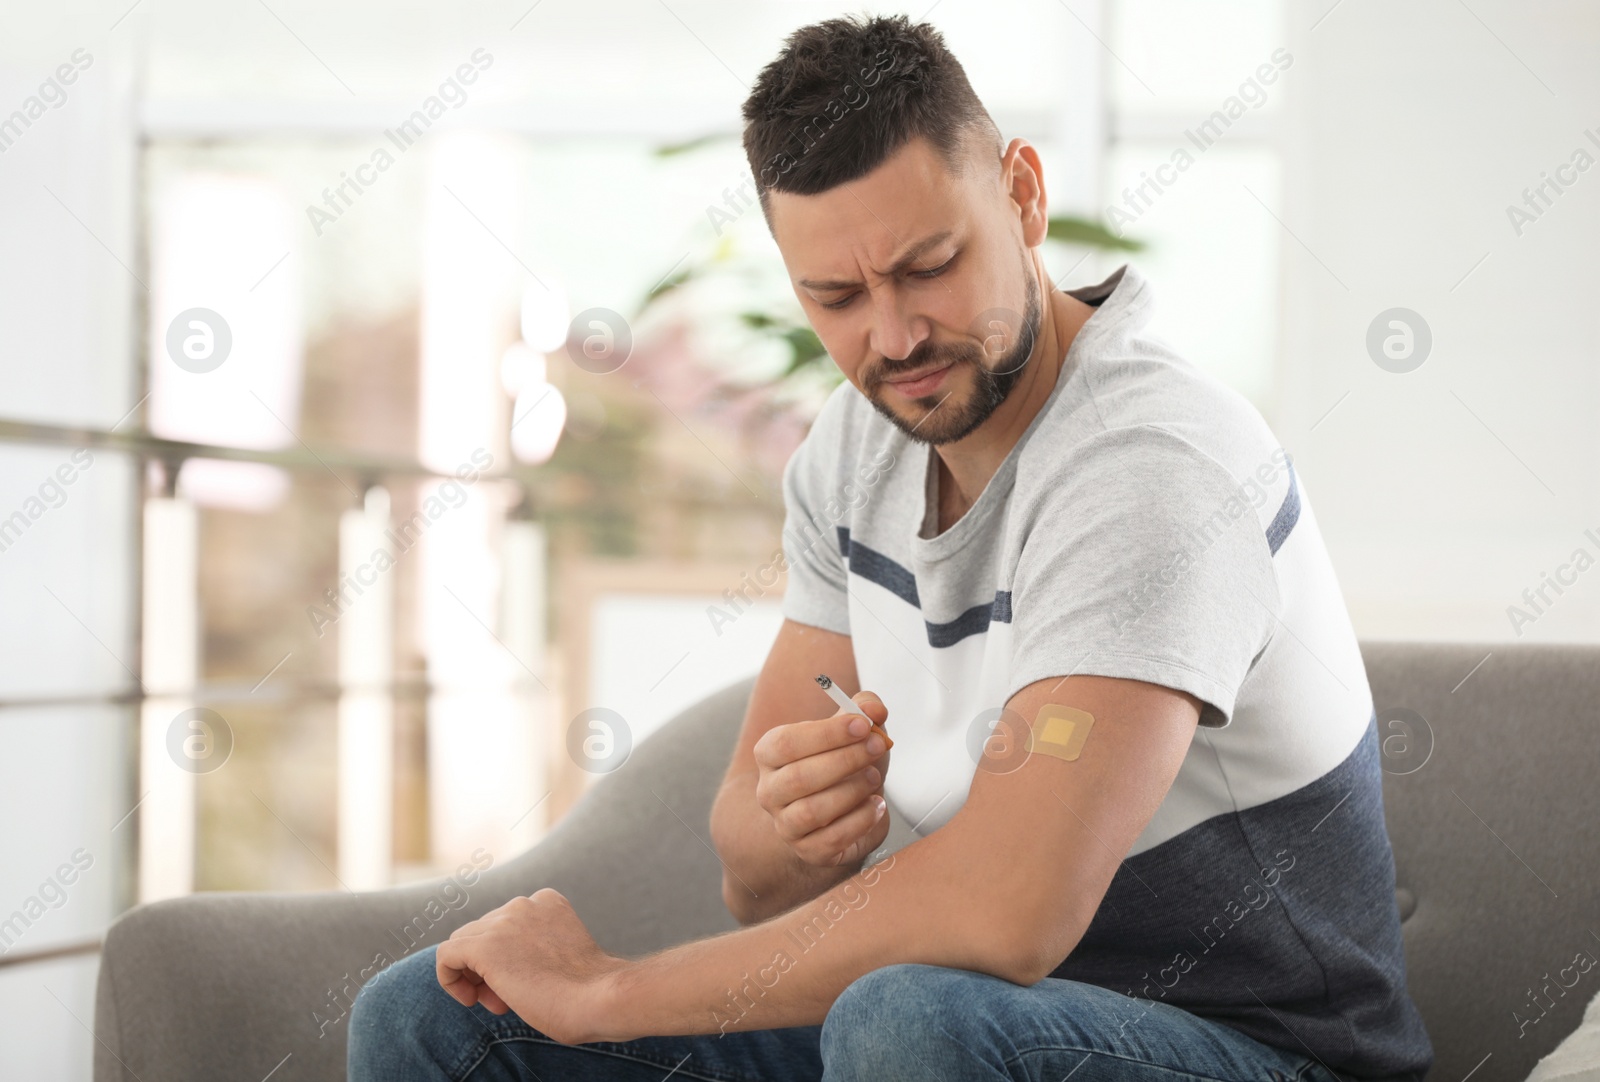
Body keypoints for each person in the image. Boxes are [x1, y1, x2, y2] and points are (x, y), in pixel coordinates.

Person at [348, 14, 1432, 1081]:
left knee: (909, 1017)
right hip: (970, 1023)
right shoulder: (854, 450)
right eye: (837, 296)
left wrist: (608, 994)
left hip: (1262, 1050)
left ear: (1022, 194)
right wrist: (800, 825)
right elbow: (751, 874)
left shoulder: (1151, 469)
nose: (895, 335)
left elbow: (1006, 914)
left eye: (928, 265)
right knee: (436, 1018)